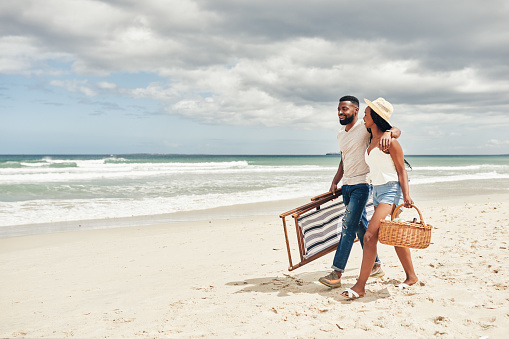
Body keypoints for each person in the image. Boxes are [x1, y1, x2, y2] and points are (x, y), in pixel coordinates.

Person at [318, 95, 401, 288]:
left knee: (347, 225)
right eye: (339, 109)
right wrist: (335, 182)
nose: (340, 112)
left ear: (355, 110)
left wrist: (391, 134)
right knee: (359, 225)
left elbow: (395, 129)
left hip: (362, 185)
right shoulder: (340, 134)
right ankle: (376, 266)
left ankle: (337, 272)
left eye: (345, 109)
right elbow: (343, 159)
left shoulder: (365, 127)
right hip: (347, 185)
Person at [340, 97, 417, 300]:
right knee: (395, 235)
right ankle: (411, 276)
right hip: (377, 191)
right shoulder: (370, 137)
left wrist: (406, 196)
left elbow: (401, 171)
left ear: (375, 117)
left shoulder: (389, 141)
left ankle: (360, 286)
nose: (363, 117)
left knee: (369, 237)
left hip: (391, 191)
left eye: (366, 114)